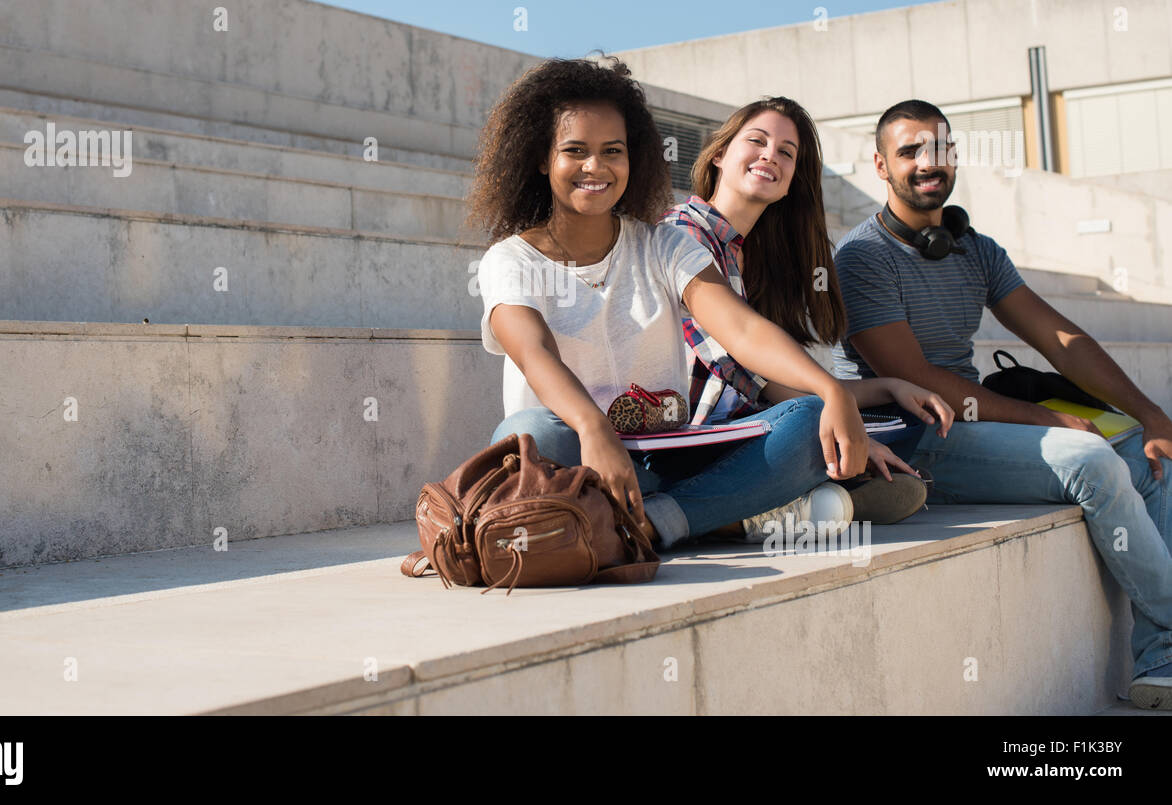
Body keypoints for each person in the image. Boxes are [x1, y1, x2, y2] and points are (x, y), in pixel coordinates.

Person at [832, 97, 1172, 711]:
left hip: (974, 423)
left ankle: (1161, 661)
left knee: (1150, 453)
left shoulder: (975, 249)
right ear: (881, 167)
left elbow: (1062, 339)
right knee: (1089, 458)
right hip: (912, 437)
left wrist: (1151, 415)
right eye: (909, 151)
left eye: (938, 147)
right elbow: (914, 377)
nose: (926, 161)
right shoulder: (862, 258)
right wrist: (1050, 420)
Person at [467, 56, 873, 551]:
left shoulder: (664, 244)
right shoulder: (510, 259)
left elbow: (740, 330)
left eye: (612, 151)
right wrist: (593, 428)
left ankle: (647, 523)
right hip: (572, 453)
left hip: (670, 455)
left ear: (632, 157)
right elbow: (534, 354)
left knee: (808, 420)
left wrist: (831, 390)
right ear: (540, 159)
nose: (595, 166)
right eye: (575, 150)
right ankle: (717, 512)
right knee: (526, 433)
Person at [661, 96, 951, 531]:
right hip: (687, 440)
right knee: (811, 419)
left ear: (793, 178)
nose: (769, 156)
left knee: (904, 412)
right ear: (719, 153)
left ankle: (798, 497)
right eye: (757, 141)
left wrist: (887, 387)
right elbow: (743, 363)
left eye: (785, 152)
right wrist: (839, 410)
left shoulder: (751, 257)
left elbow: (772, 385)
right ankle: (745, 512)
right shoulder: (682, 232)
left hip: (750, 428)